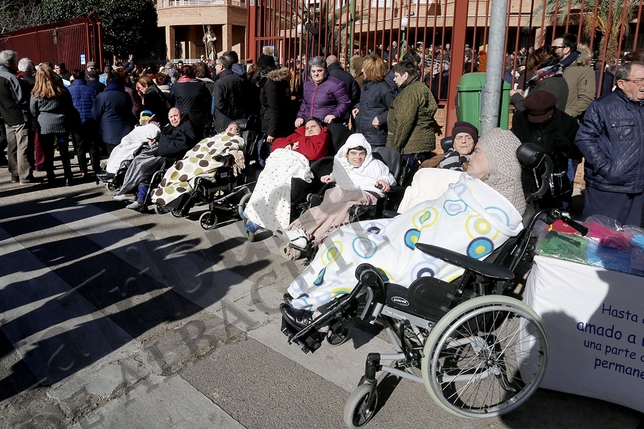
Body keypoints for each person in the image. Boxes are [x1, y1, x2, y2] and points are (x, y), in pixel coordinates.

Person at [281, 128, 526, 326]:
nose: (470, 155)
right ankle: (300, 293)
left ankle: (312, 311)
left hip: (417, 254)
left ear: (496, 161)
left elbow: (453, 238)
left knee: (357, 254)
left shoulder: (496, 211)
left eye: (478, 152)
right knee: (344, 234)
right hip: (404, 235)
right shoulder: (477, 188)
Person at [279, 134, 396, 258]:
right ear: (347, 154)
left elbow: (388, 177)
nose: (358, 157)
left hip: (366, 193)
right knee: (332, 194)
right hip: (346, 191)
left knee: (340, 199)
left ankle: (307, 231)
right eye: (354, 153)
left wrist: (384, 181)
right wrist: (332, 177)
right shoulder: (344, 164)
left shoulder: (375, 164)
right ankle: (304, 231)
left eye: (361, 153)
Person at [575, 61, 644, 227]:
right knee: (600, 240)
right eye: (639, 81)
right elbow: (584, 138)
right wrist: (608, 169)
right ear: (622, 83)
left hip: (639, 189)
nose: (643, 85)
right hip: (608, 188)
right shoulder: (602, 106)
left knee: (631, 242)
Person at [243, 117, 331, 234]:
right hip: (284, 160)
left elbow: (312, 152)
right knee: (265, 176)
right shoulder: (298, 135)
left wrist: (303, 139)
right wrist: (287, 144)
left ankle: (257, 219)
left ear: (320, 128)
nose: (309, 130)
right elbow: (277, 143)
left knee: (280, 182)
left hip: (299, 164)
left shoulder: (322, 137)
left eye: (313, 127)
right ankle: (253, 211)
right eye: (307, 128)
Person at [152, 122, 245, 214]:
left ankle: (174, 192)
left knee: (189, 166)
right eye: (229, 127)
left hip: (211, 161)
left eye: (234, 129)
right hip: (199, 157)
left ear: (238, 132)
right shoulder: (217, 137)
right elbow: (203, 145)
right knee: (178, 166)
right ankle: (165, 192)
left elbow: (234, 146)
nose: (230, 130)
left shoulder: (237, 139)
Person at [114, 108, 195, 211]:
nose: (174, 119)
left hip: (170, 157)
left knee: (143, 167)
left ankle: (137, 197)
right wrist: (155, 140)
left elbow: (181, 145)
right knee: (137, 159)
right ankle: (131, 194)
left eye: (176, 116)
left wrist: (160, 149)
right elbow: (164, 137)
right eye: (171, 117)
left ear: (181, 115)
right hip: (161, 152)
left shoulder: (187, 127)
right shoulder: (171, 126)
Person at [512, 90, 579, 208]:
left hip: (552, 178)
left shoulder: (568, 123)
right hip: (525, 176)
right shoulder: (520, 119)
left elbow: (577, 153)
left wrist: (565, 145)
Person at [386, 60, 438, 174]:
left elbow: (404, 122)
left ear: (405, 75)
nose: (394, 80)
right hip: (422, 142)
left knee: (408, 178)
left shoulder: (410, 93)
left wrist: (395, 147)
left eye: (396, 76)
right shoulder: (421, 87)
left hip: (411, 146)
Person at [29, 64, 76, 186]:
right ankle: (68, 175)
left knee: (48, 152)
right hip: (61, 121)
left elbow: (33, 110)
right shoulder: (62, 90)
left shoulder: (36, 93)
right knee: (64, 151)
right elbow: (69, 106)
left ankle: (51, 176)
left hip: (44, 123)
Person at [0, 50, 35, 184]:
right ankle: (25, 176)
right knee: (23, 146)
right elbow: (21, 98)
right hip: (19, 116)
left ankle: (14, 174)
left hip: (6, 115)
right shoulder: (11, 78)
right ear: (12, 62)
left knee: (12, 147)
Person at [352, 55, 397, 147]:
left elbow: (395, 109)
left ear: (371, 70)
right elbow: (364, 102)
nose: (362, 71)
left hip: (375, 137)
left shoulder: (385, 89)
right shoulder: (366, 87)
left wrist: (381, 119)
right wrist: (357, 107)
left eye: (364, 68)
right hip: (362, 134)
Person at [295, 56, 351, 127]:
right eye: (313, 71)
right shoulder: (307, 85)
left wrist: (334, 114)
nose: (316, 74)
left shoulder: (335, 84)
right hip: (309, 124)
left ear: (325, 70)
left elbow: (345, 102)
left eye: (319, 70)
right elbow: (305, 103)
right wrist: (300, 116)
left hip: (326, 125)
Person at [509, 45, 568, 112]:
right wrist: (523, 93)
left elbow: (530, 109)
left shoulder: (548, 83)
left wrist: (515, 96)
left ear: (537, 64)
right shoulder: (556, 78)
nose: (532, 70)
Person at [552, 33, 596, 120]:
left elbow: (586, 99)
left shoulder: (583, 70)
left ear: (566, 50)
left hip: (565, 122)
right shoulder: (552, 67)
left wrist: (566, 115)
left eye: (555, 48)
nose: (551, 51)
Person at [92, 71, 136, 154]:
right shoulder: (125, 95)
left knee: (113, 156)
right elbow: (130, 109)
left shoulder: (102, 96)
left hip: (109, 131)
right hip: (126, 129)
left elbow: (95, 114)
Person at [68, 69, 101, 178]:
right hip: (90, 120)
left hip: (76, 121)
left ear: (73, 77)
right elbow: (95, 105)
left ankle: (83, 170)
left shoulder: (69, 90)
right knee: (93, 146)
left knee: (79, 147)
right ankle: (96, 167)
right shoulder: (91, 90)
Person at [212, 57, 245, 134]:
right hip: (238, 118)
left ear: (221, 66)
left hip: (224, 121)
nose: (215, 67)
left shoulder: (219, 82)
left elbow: (219, 104)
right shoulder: (238, 80)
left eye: (216, 65)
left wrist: (231, 113)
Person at [326, 55, 361, 121]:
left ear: (327, 64)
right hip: (345, 112)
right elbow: (355, 94)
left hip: (328, 113)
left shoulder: (326, 76)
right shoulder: (348, 76)